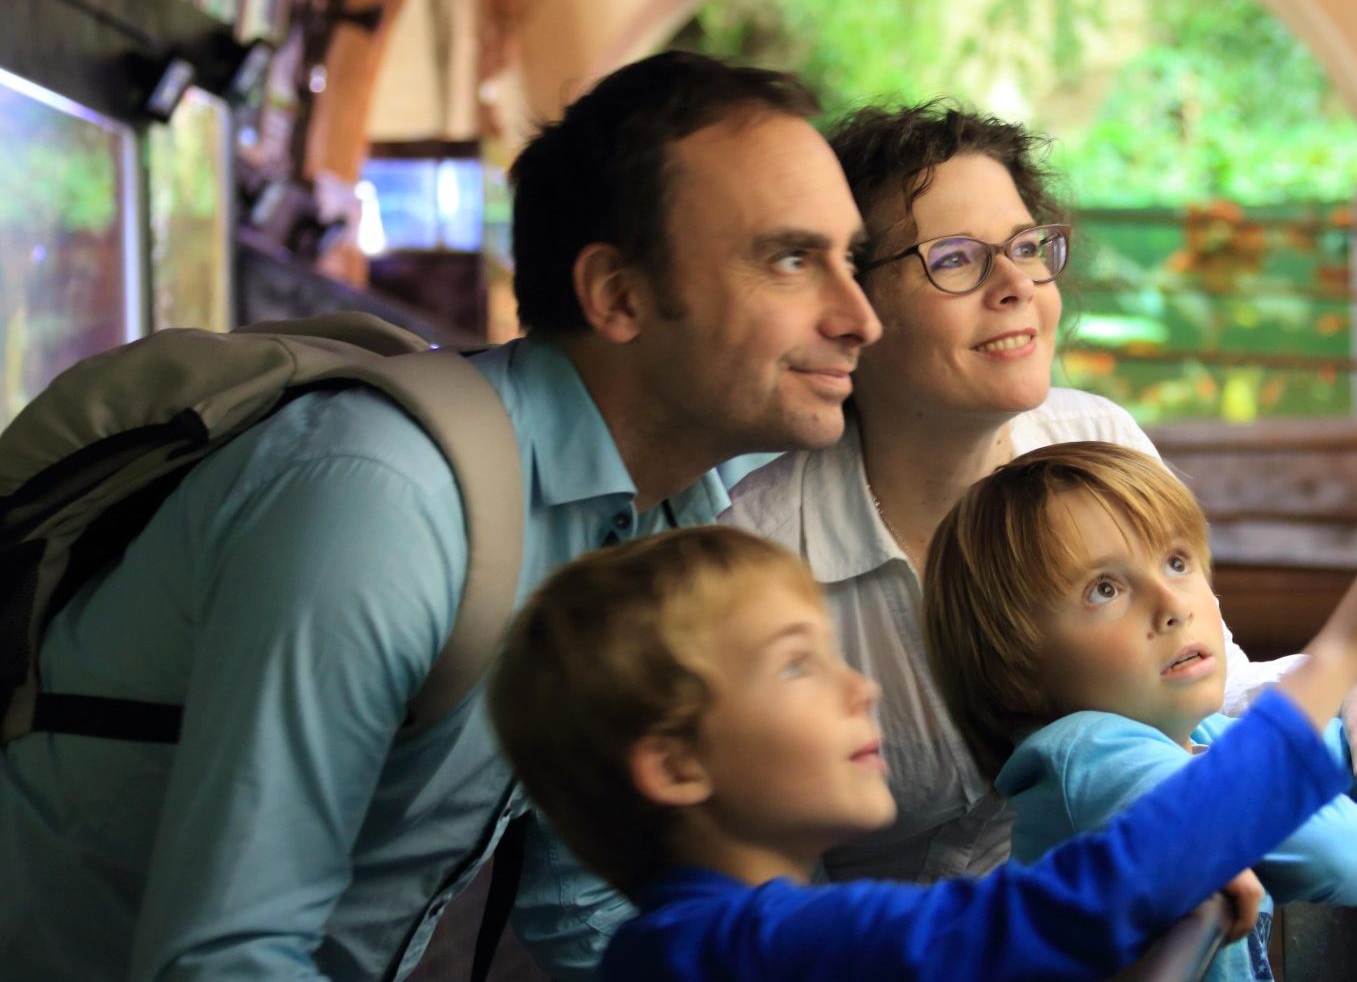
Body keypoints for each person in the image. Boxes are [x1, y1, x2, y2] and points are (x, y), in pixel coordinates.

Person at [0, 51, 881, 980]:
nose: (859, 315)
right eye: (790, 259)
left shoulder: (655, 521)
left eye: (850, 259)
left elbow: (576, 905)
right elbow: (224, 959)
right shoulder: (381, 500)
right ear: (619, 295)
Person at [721, 102, 1357, 883]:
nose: (1014, 283)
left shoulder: (1095, 439)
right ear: (855, 300)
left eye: (1026, 247)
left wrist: (1356, 672)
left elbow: (1202, 701)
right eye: (955, 257)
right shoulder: (762, 555)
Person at [488, 517, 1357, 982]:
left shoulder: (708, 943)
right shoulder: (740, 950)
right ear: (676, 766)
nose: (859, 685)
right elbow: (1079, 899)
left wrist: (1185, 917)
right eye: (796, 667)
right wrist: (1336, 658)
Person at [921, 442, 1357, 977]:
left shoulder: (1199, 735)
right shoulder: (1086, 757)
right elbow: (1335, 851)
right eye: (1105, 589)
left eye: (1177, 562)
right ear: (1018, 669)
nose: (1171, 605)